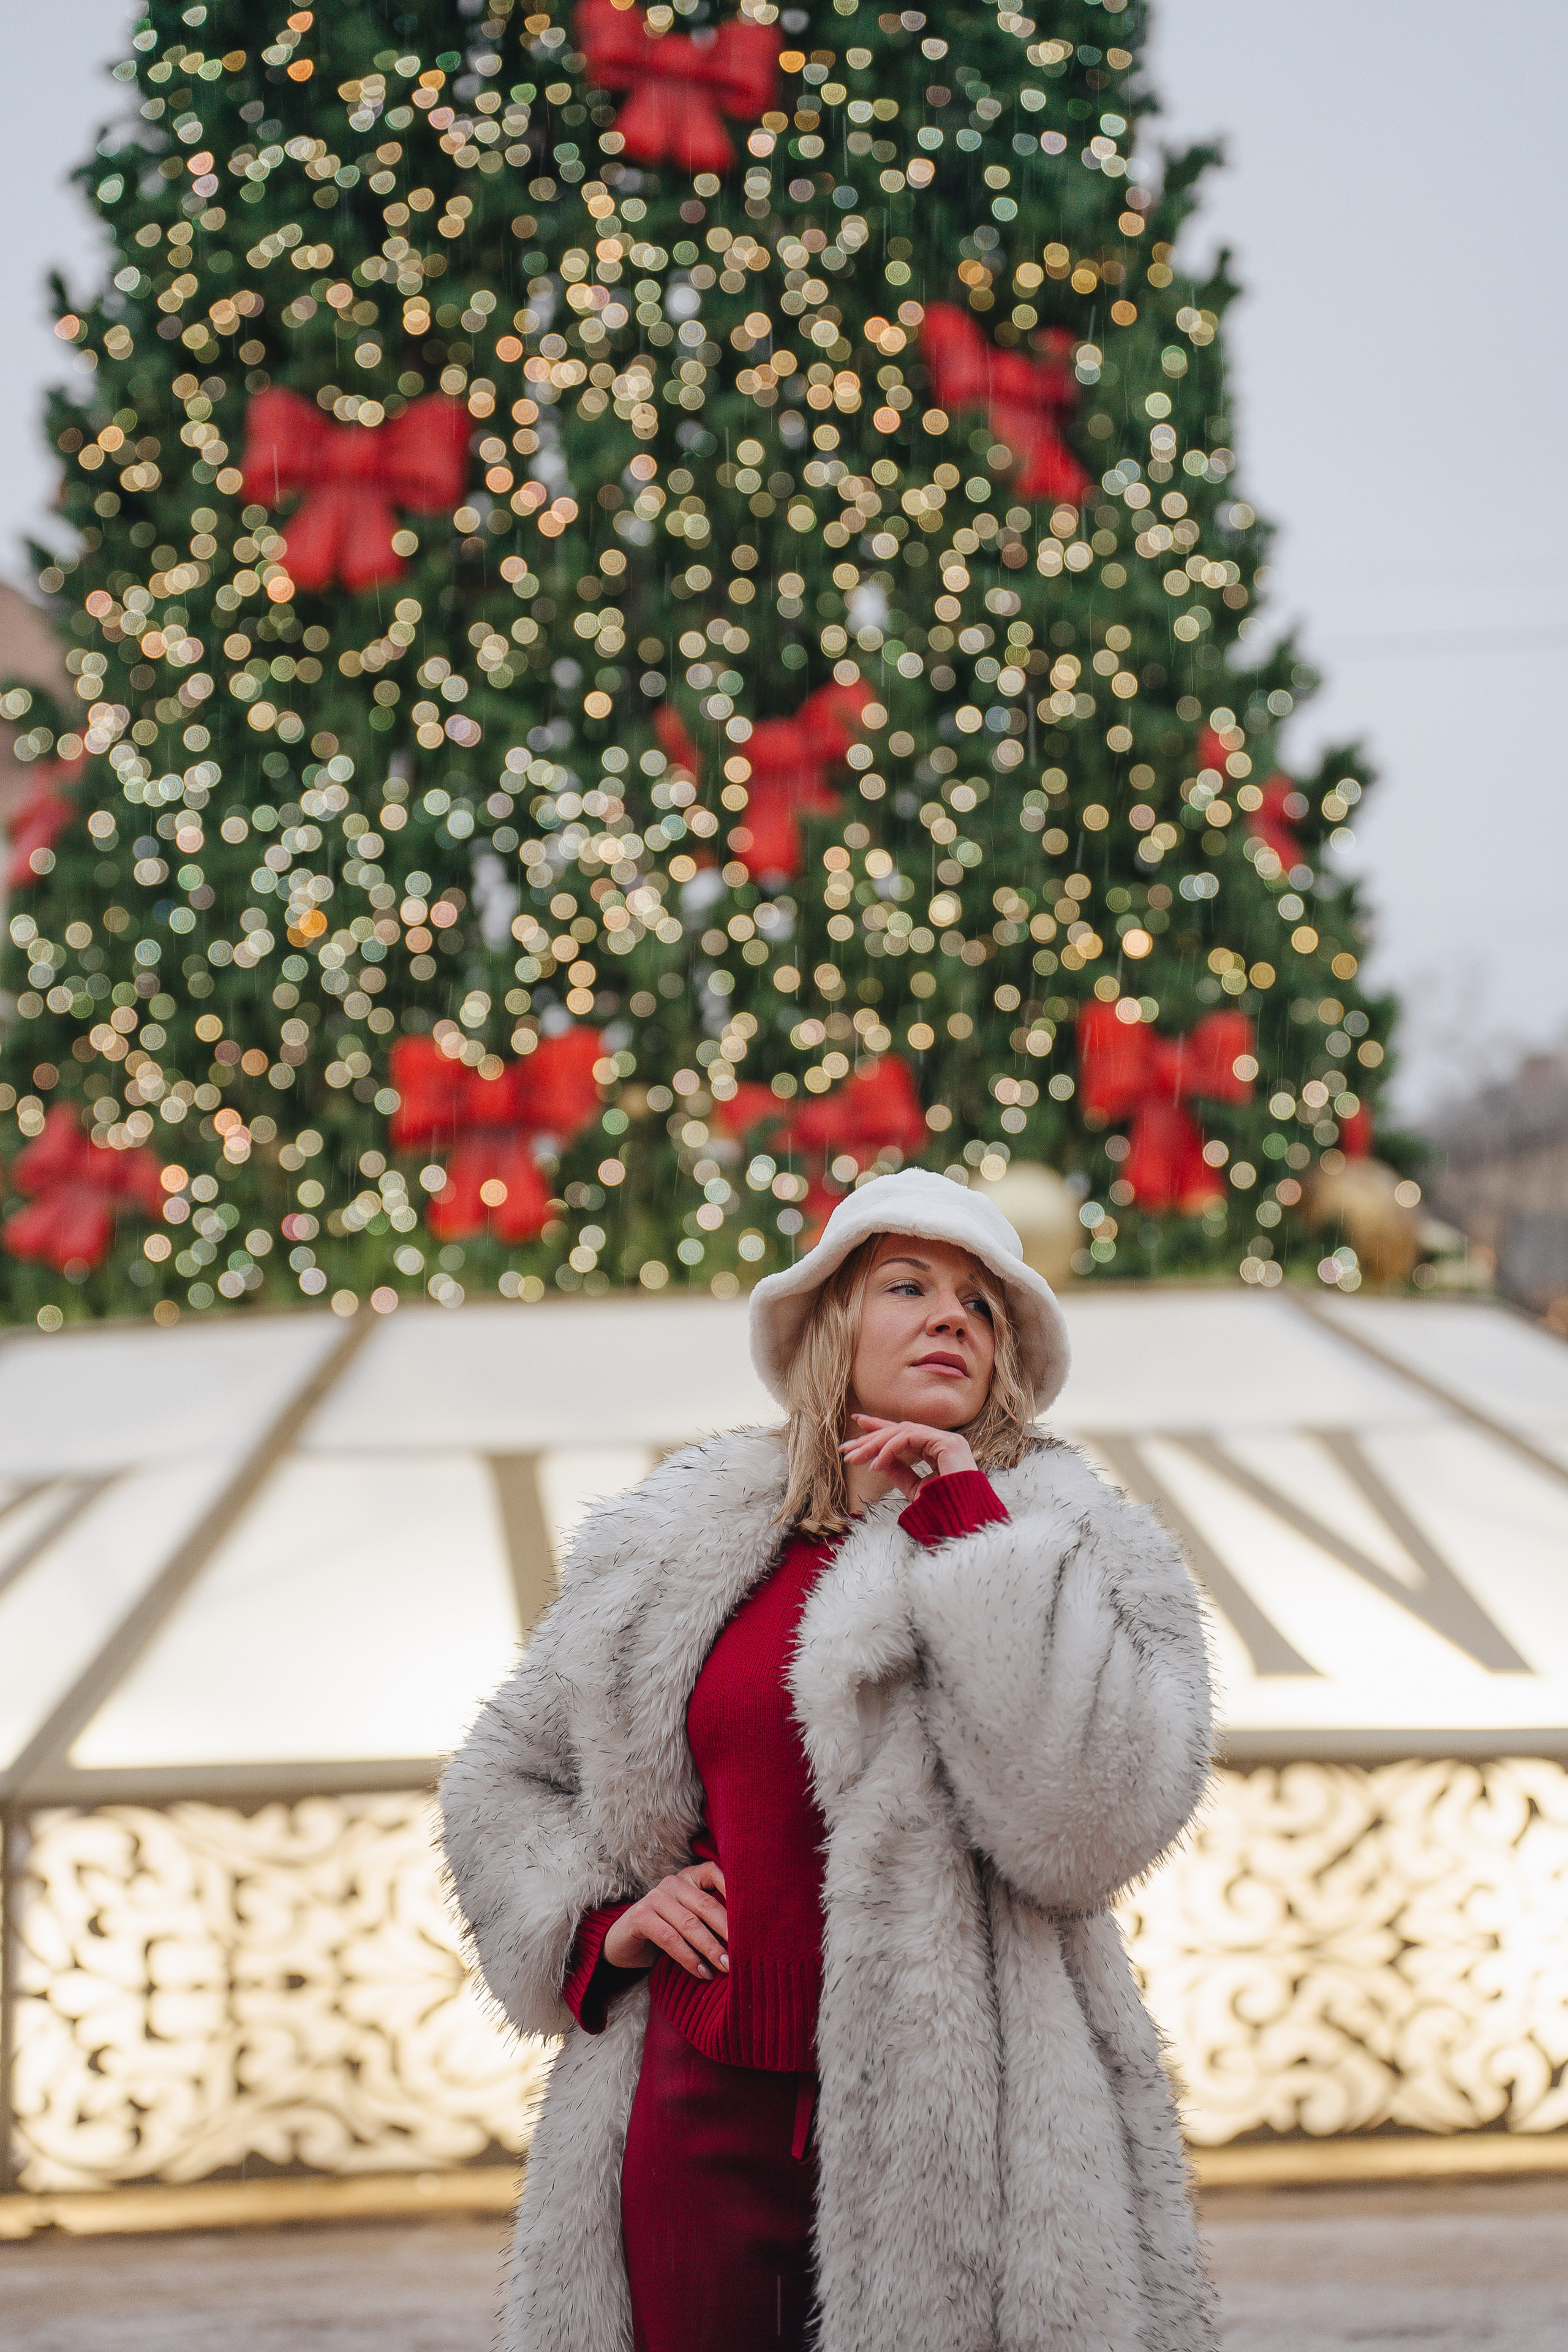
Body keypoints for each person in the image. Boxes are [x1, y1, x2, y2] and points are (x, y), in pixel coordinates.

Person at [441, 1167, 1217, 2352]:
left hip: (968, 2125)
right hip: (695, 2106)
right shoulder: (683, 1542)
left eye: (981, 1302)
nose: (951, 1316)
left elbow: (1086, 1823)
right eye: (907, 1286)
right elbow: (505, 1772)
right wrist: (602, 1925)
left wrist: (971, 1541)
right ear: (829, 1326)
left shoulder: (1069, 1544)